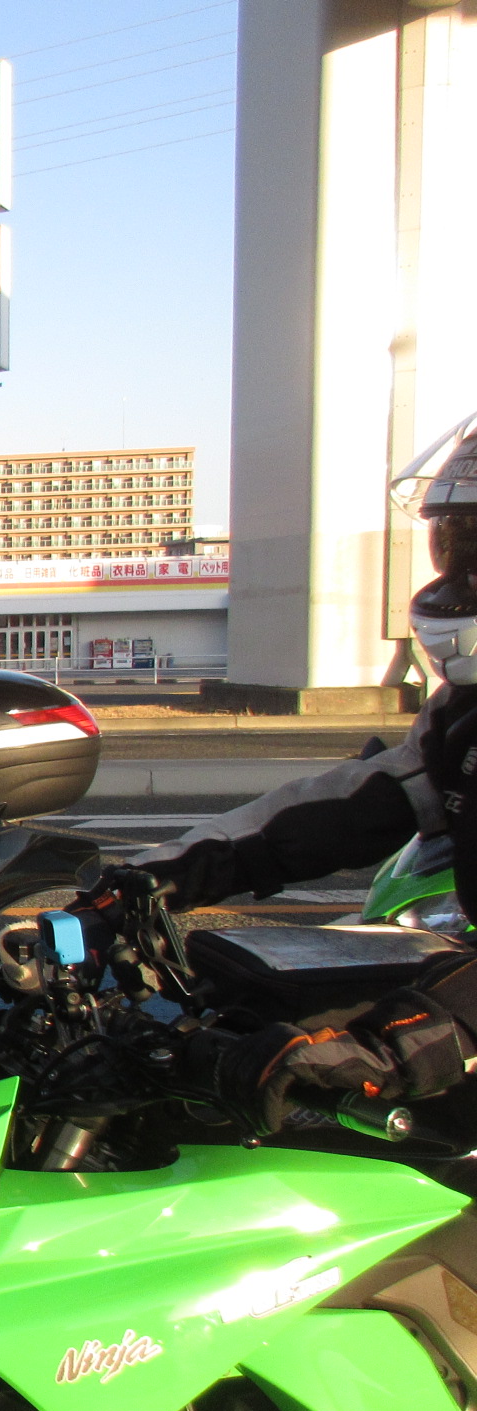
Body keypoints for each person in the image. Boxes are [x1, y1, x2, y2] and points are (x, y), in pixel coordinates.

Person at [90, 427, 477, 1135]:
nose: (460, 579)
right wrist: (157, 878)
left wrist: (391, 1046)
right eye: (460, 547)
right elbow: (355, 806)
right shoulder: (463, 716)